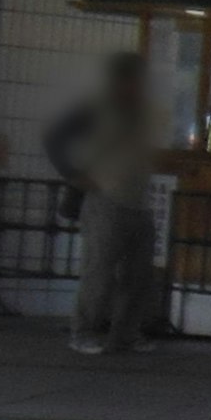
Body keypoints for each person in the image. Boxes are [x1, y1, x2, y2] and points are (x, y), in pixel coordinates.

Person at [46, 52, 154, 358]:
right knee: (99, 272)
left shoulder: (142, 112)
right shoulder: (95, 108)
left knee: (139, 275)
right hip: (105, 199)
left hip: (138, 201)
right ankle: (83, 331)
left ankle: (125, 334)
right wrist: (75, 175)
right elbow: (55, 137)